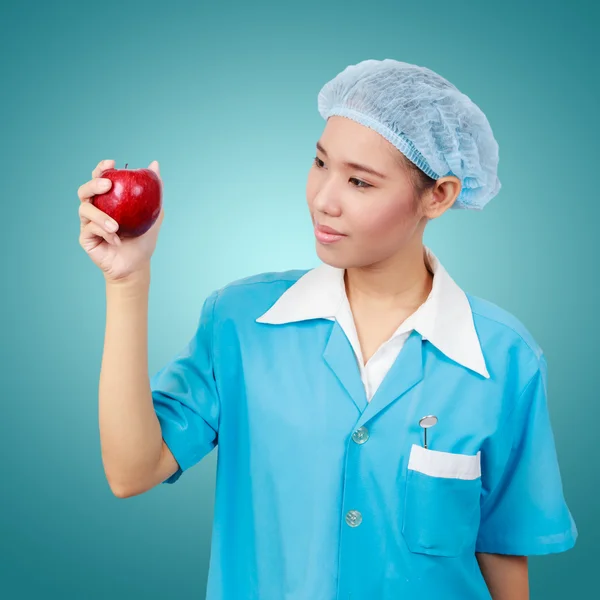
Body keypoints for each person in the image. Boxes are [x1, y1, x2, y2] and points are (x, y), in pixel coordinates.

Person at [79, 59, 578, 600]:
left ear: (439, 196)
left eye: (360, 181)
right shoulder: (240, 322)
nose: (323, 198)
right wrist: (127, 281)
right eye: (320, 163)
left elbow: (502, 554)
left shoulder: (504, 358)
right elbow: (132, 471)